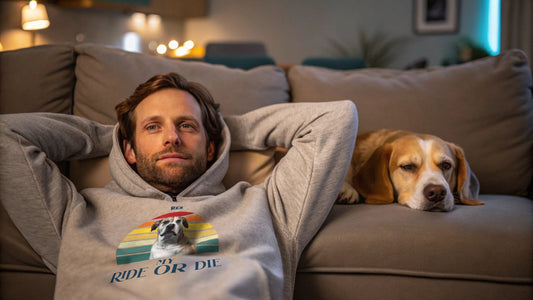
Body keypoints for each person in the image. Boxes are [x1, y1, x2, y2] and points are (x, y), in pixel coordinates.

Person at [0, 72, 357, 299]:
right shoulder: (77, 214)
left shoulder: (263, 206)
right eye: (152, 127)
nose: (171, 138)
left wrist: (223, 128)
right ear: (129, 149)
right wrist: (107, 136)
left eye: (187, 126)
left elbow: (335, 118)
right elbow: (7, 135)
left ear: (211, 144)